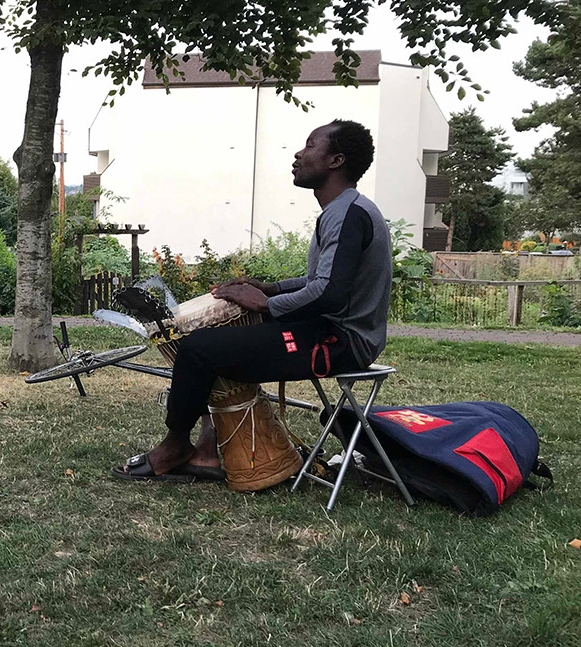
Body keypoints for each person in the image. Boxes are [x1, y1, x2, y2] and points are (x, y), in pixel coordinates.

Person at [114, 119, 392, 483]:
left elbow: (330, 293)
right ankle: (208, 450)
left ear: (335, 161)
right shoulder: (345, 210)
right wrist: (271, 287)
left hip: (339, 342)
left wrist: (265, 305)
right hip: (326, 331)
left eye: (310, 145)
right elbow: (318, 281)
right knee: (218, 342)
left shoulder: (348, 215)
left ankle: (175, 447)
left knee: (198, 349)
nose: (298, 153)